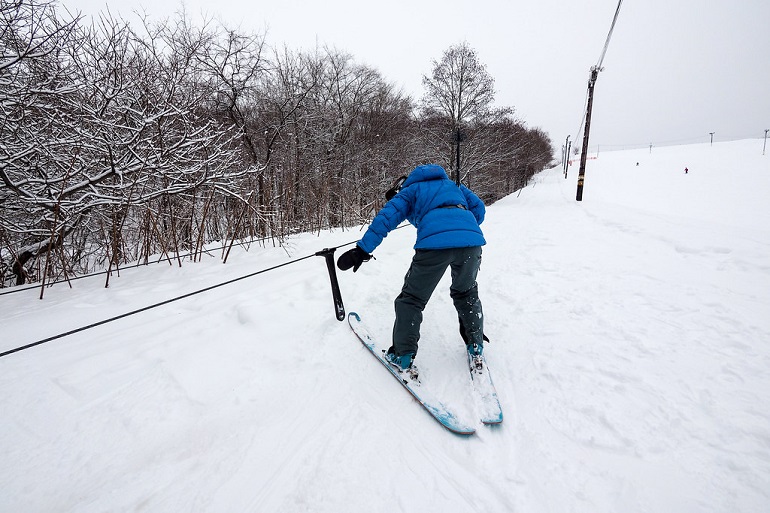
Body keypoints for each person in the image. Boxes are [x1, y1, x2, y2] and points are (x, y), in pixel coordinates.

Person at [337, 163, 487, 377]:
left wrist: (362, 250)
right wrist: (460, 223)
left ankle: (403, 355)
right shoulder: (455, 185)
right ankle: (475, 345)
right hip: (471, 242)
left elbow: (385, 219)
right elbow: (479, 211)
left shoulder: (411, 190)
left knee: (411, 300)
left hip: (434, 246)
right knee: (466, 292)